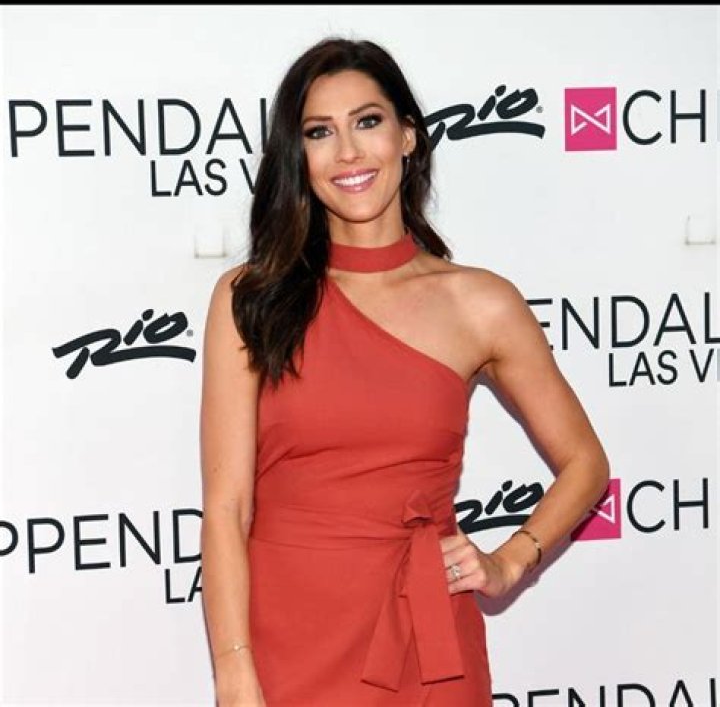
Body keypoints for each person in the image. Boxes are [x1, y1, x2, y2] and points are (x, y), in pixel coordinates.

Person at [200, 36, 610, 706]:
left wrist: (510, 560)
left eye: (368, 121)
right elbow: (226, 507)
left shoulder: (479, 303)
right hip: (287, 640)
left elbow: (586, 461)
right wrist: (234, 669)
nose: (348, 151)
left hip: (427, 636)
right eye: (319, 132)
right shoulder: (250, 298)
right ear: (298, 157)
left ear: (409, 136)